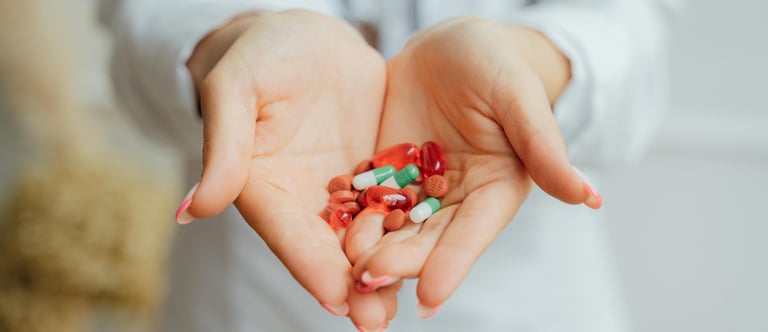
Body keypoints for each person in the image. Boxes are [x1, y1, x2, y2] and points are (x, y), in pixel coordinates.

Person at [101, 0, 680, 331]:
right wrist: (225, 45)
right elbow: (140, 19)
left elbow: (632, 31)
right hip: (251, 298)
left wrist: (534, 61)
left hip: (525, 301)